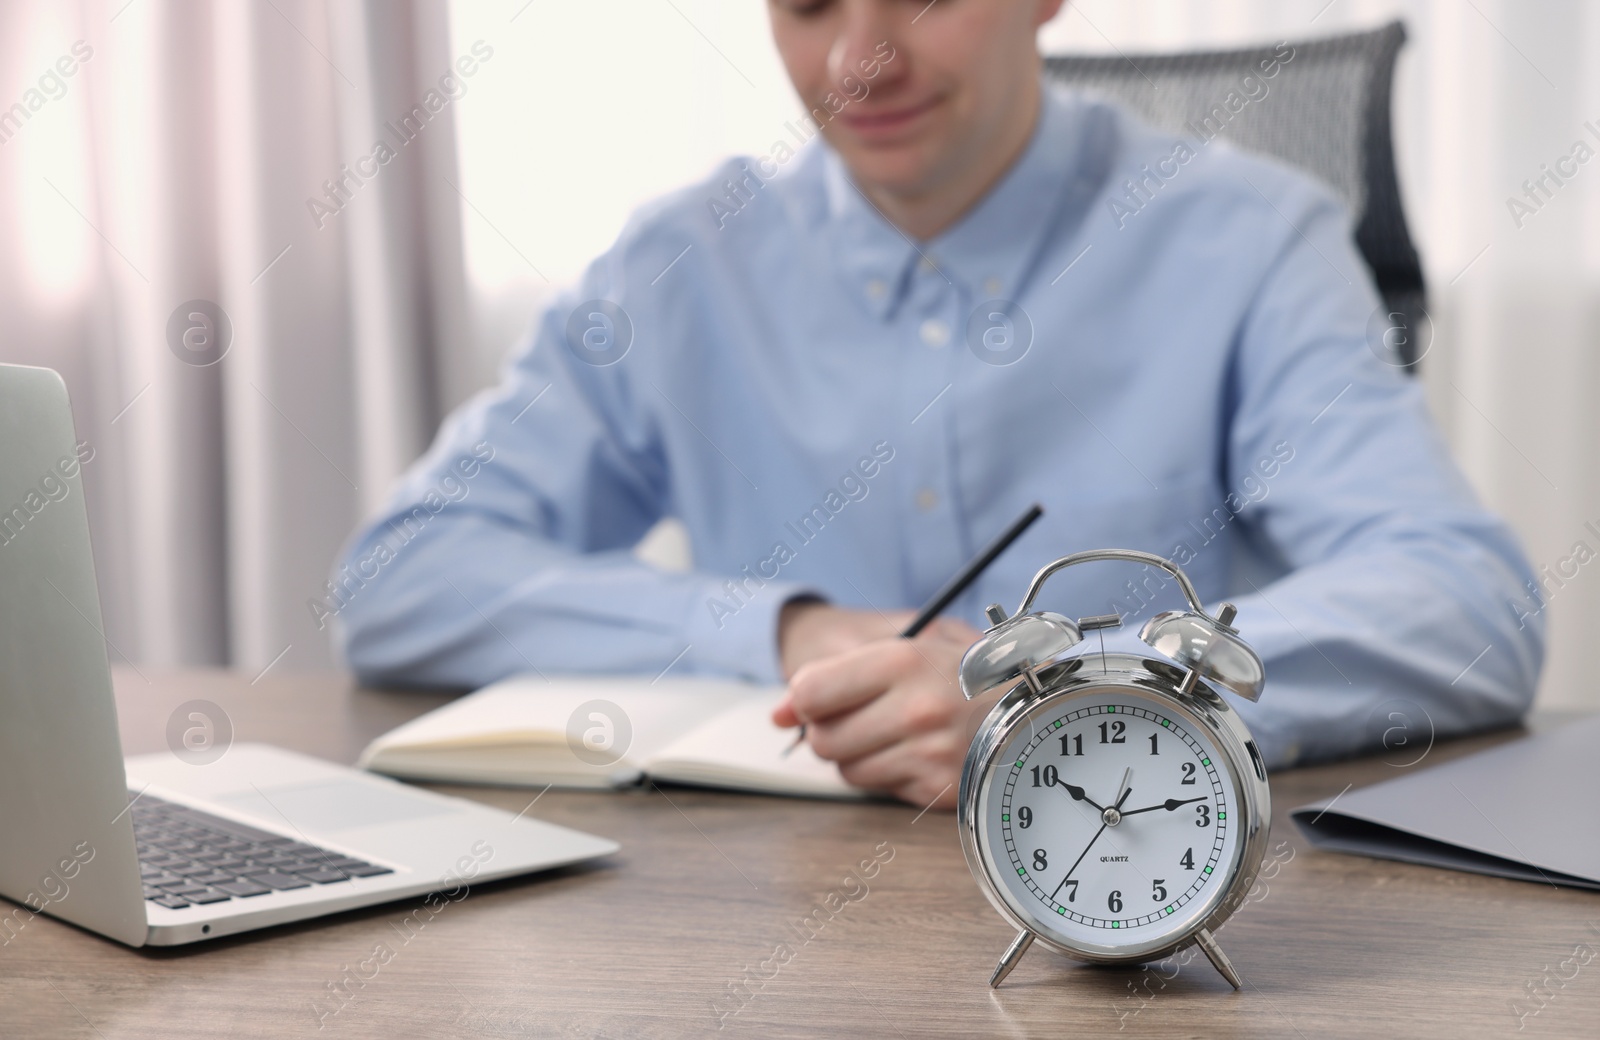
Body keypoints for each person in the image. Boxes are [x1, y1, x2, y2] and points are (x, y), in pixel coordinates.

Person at [328, 0, 1543, 809]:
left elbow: (1464, 602)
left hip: (1139, 888)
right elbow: (400, 575)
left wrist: (1068, 695)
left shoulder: (1249, 241)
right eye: (810, 1)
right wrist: (785, 628)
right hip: (757, 934)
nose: (862, 58)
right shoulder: (681, 264)